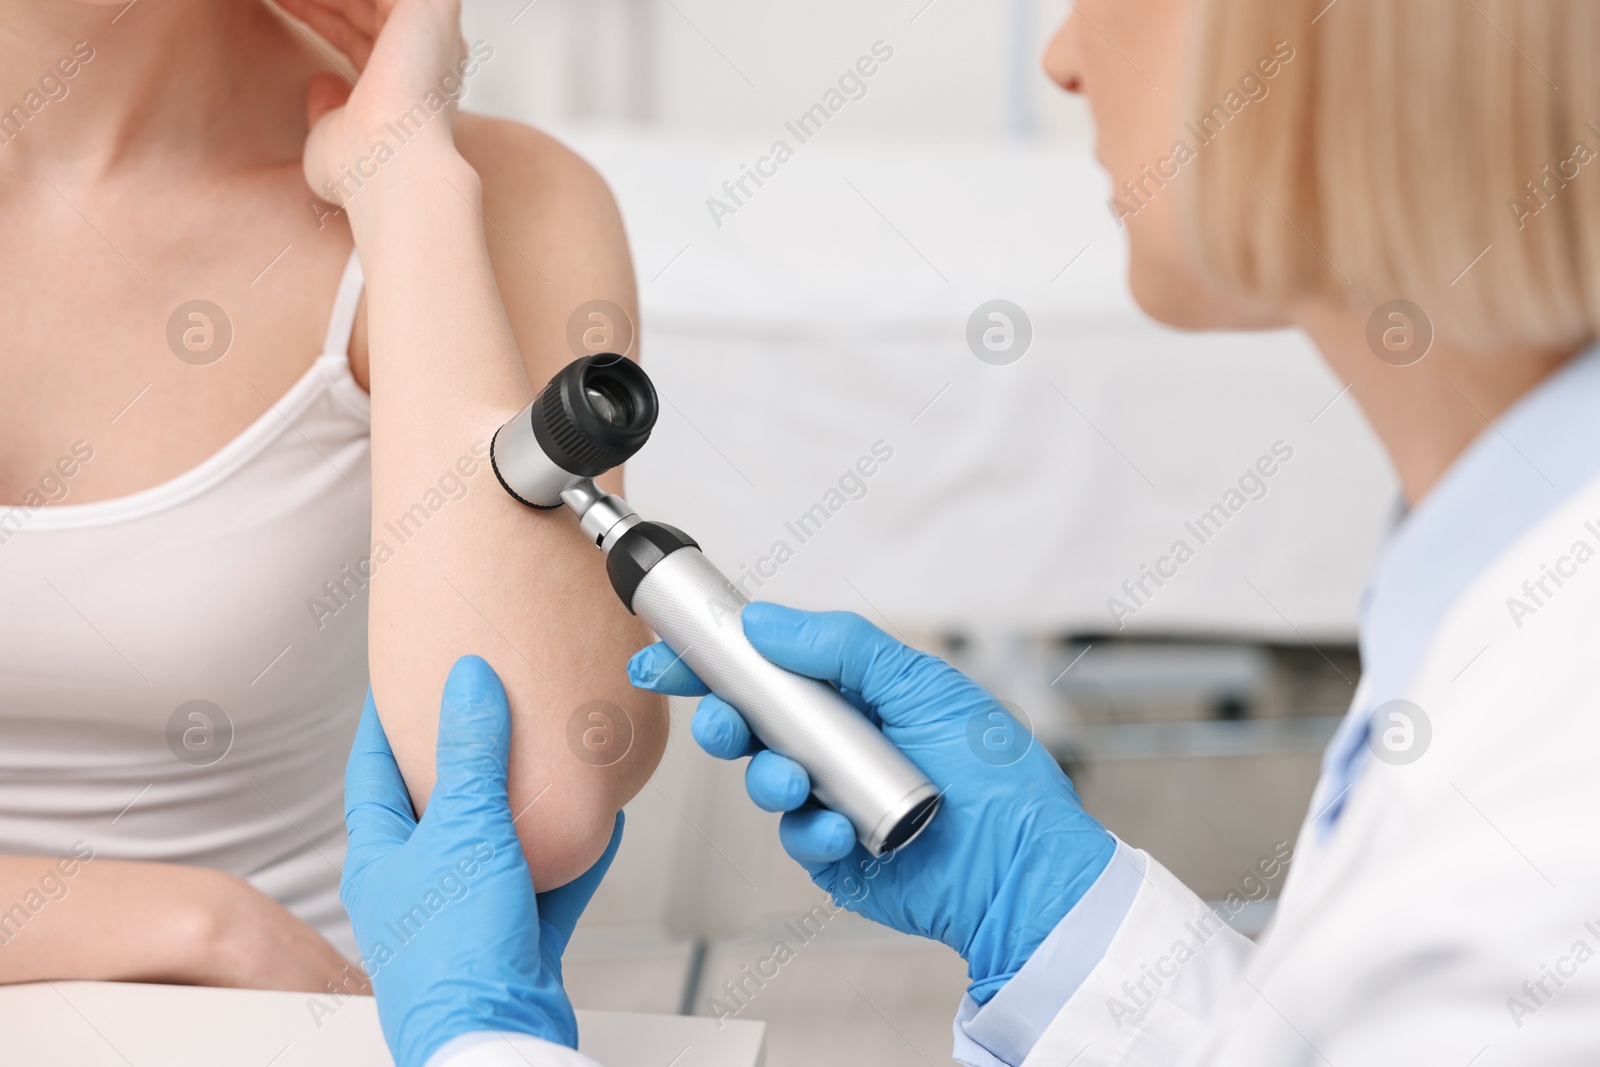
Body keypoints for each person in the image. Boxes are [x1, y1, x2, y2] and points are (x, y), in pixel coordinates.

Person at [354, 0, 1600, 1065]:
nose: (1061, 55)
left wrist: (482, 1040)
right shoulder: (1505, 592)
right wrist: (1054, 915)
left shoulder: (1549, 782)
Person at [0, 0, 663, 992]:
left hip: (301, 1026)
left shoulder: (506, 195)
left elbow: (537, 800)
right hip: (263, 965)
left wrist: (403, 184)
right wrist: (199, 924)